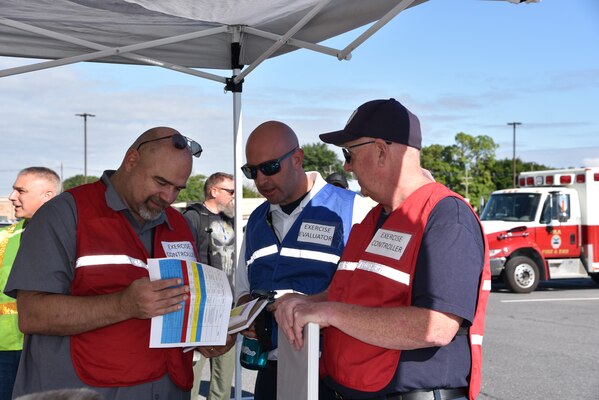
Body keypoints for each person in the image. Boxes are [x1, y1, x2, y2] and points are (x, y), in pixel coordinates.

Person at [274, 99, 491, 400]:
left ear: (381, 150)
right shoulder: (375, 217)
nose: (346, 166)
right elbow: (355, 294)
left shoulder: (445, 217)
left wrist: (330, 312)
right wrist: (308, 303)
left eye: (349, 154)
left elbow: (437, 326)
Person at [5, 127, 207, 400]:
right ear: (131, 160)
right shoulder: (65, 214)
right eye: (161, 182)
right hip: (88, 389)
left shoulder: (179, 224)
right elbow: (32, 314)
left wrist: (208, 335)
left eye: (177, 189)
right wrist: (124, 304)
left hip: (168, 387)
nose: (168, 197)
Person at [232, 121, 372, 400]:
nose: (260, 180)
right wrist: (246, 314)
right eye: (252, 171)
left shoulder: (355, 209)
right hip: (271, 371)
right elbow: (241, 290)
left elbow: (371, 293)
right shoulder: (256, 222)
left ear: (297, 158)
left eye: (270, 167)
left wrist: (313, 303)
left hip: (332, 374)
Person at [1, 167, 61, 400]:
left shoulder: (74, 237)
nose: (12, 196)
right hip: (6, 352)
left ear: (47, 195)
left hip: (51, 349)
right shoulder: (4, 238)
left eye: (20, 190)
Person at [183, 172, 236, 400]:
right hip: (201, 306)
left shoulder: (230, 218)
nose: (235, 197)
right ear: (214, 191)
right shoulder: (193, 217)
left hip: (229, 306)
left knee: (224, 374)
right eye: (230, 192)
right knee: (192, 374)